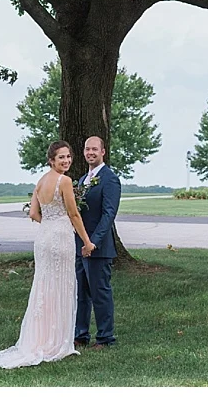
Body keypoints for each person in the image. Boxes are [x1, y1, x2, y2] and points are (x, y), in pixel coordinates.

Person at [0, 141, 95, 368]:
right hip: (60, 238)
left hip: (44, 237)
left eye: (68, 156)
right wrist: (87, 241)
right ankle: (57, 342)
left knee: (45, 285)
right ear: (51, 160)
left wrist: (50, 224)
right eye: (61, 158)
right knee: (61, 285)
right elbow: (74, 214)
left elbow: (34, 214)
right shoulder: (64, 181)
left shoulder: (40, 182)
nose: (66, 161)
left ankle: (38, 338)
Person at [74, 136, 122, 349]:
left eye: (94, 149)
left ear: (103, 152)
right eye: (87, 149)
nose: (90, 152)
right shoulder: (83, 179)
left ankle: (105, 337)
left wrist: (93, 242)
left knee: (100, 293)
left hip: (98, 248)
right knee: (81, 294)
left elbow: (108, 214)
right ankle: (81, 334)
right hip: (79, 246)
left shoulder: (110, 179)